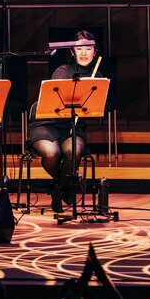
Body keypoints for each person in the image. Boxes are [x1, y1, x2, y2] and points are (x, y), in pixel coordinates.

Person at [27, 30, 100, 213]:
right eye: (79, 48)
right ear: (72, 52)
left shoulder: (98, 76)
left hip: (72, 126)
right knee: (52, 153)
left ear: (95, 51)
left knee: (73, 152)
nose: (84, 53)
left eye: (88, 48)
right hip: (47, 124)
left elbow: (97, 109)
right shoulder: (62, 71)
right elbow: (54, 105)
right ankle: (67, 185)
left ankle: (58, 189)